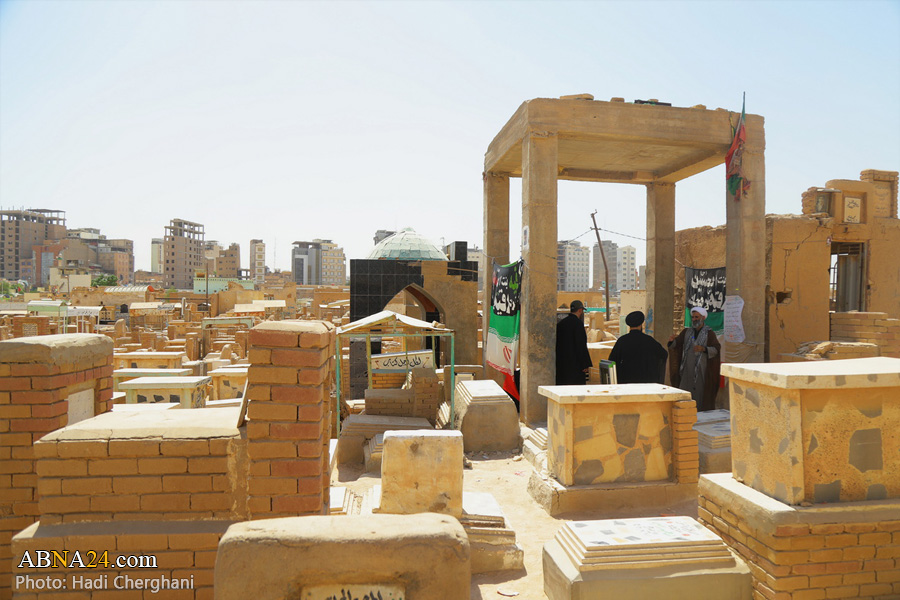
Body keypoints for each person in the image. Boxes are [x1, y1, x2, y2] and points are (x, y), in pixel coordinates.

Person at [668, 306, 721, 411]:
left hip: (701, 370)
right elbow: (676, 344)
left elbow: (716, 349)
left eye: (697, 317)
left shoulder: (709, 333)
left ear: (703, 318)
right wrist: (671, 341)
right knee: (684, 395)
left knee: (700, 396)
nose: (694, 319)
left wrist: (704, 349)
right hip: (687, 370)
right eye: (693, 317)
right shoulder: (687, 332)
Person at [608, 311, 668, 384]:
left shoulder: (622, 341)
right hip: (646, 382)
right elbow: (663, 355)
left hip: (626, 382)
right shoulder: (649, 340)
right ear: (641, 324)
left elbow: (612, 361)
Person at [556, 300, 593, 385]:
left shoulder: (561, 323)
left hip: (562, 365)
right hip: (575, 366)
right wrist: (585, 364)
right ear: (580, 310)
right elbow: (581, 345)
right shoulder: (578, 324)